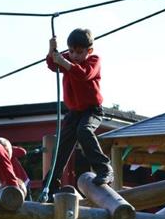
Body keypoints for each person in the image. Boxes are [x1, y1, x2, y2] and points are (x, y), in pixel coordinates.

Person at [44, 28, 113, 198]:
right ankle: (51, 184)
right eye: (72, 51)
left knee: (84, 131)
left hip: (91, 110)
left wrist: (64, 62)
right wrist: (51, 50)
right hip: (74, 112)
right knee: (63, 145)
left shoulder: (94, 61)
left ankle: (104, 168)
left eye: (79, 52)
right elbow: (53, 64)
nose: (74, 55)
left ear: (89, 51)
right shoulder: (67, 58)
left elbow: (84, 75)